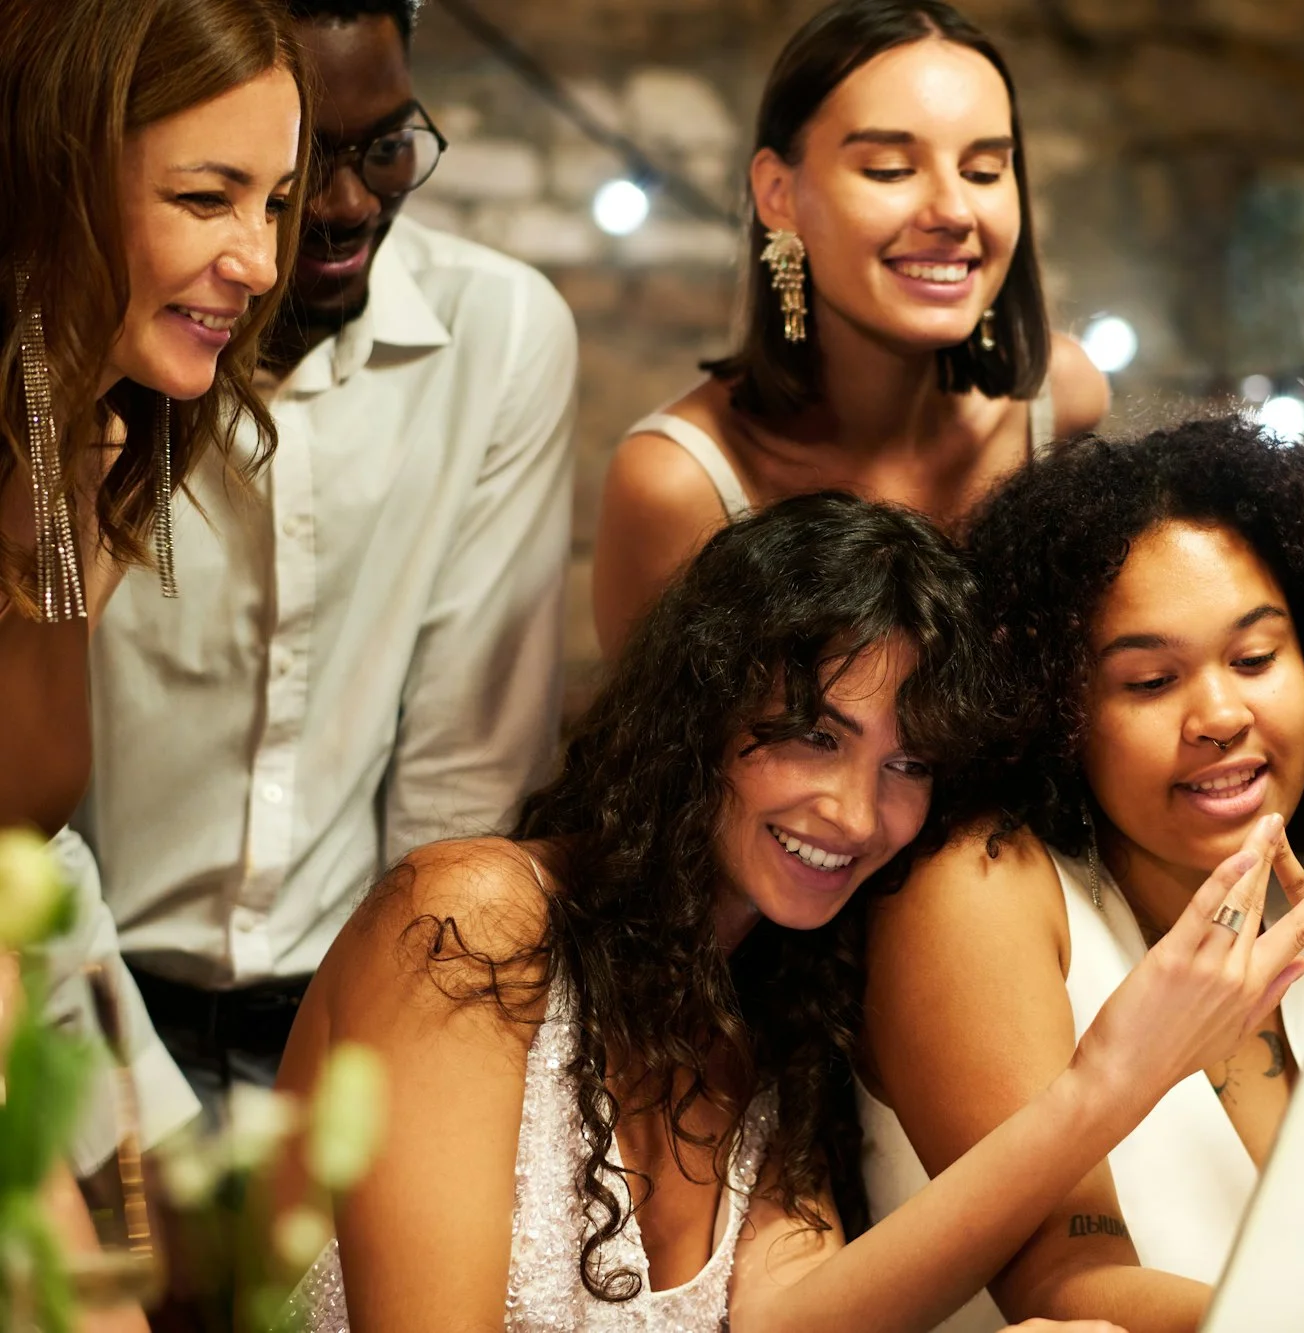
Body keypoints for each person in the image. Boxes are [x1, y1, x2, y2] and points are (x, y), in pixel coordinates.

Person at [276, 493, 1304, 1333]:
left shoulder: (772, 1018)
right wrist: (1104, 1085)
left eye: (906, 763)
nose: (853, 811)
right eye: (814, 734)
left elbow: (801, 1318)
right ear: (701, 707)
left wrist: (1099, 1093)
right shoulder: (473, 918)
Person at [862, 421, 1304, 1332]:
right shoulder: (984, 885)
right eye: (1151, 681)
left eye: (1254, 658)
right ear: (1058, 701)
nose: (1219, 715)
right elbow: (1062, 1284)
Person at [73, 0, 577, 1118]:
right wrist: (135, 1121)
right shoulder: (97, 377)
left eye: (386, 147)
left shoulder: (498, 335)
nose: (343, 206)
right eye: (294, 166)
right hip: (83, 1017)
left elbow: (460, 785)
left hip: (355, 1025)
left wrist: (374, 1093)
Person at [1, 0, 307, 1321]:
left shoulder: (93, 449)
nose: (256, 260)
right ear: (49, 180)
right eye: (206, 196)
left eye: (274, 202)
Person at [592, 0, 1109, 658]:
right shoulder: (677, 483)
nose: (953, 210)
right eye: (890, 168)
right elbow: (645, 759)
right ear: (779, 193)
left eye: (984, 171)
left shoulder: (1063, 401)